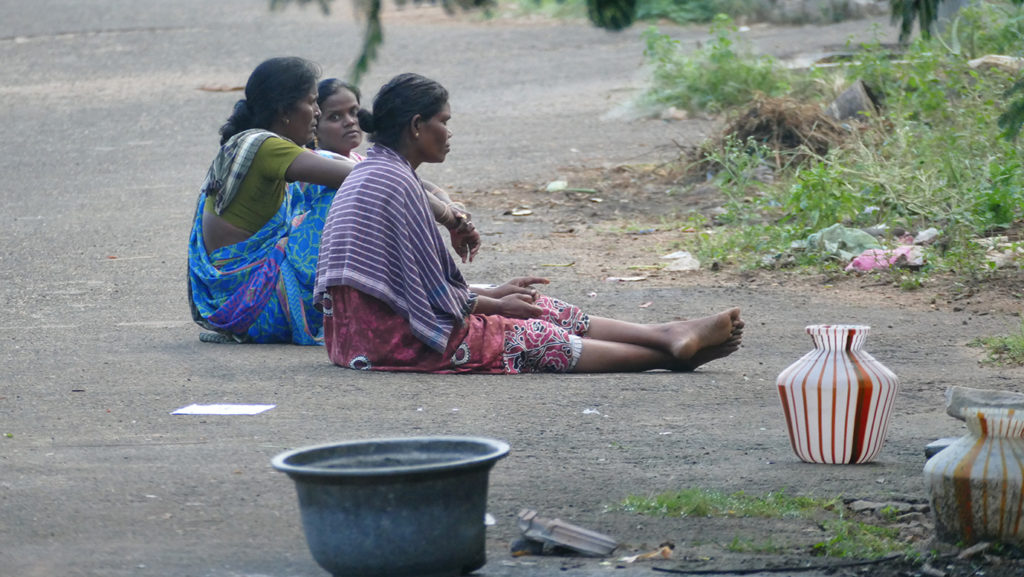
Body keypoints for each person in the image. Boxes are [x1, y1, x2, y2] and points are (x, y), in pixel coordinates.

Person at [313, 73, 744, 373]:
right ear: (415, 125)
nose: (449, 132)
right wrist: (495, 305)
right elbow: (433, 297)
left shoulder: (380, 170)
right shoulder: (392, 183)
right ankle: (670, 357)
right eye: (443, 122)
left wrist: (493, 295)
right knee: (530, 334)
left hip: (362, 334)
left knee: (536, 307)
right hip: (385, 342)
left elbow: (417, 286)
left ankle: (663, 333)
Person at [187, 57, 359, 345]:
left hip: (235, 308)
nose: (317, 112)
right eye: (312, 102)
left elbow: (364, 167)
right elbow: (371, 178)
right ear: (284, 111)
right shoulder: (267, 147)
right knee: (345, 195)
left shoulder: (248, 145)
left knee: (320, 184)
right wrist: (445, 214)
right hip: (259, 309)